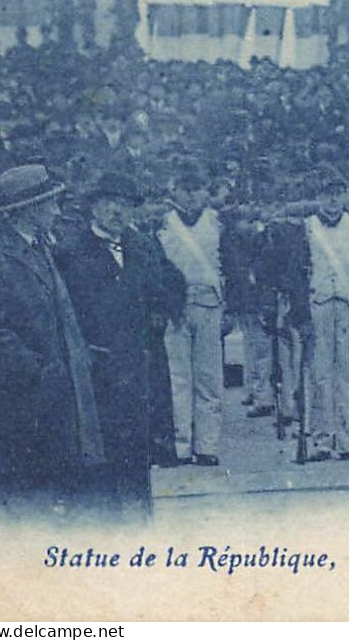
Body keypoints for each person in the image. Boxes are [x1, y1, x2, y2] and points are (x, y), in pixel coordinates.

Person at [0, 164, 105, 514]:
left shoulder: (38, 248)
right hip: (16, 405)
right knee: (16, 505)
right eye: (50, 203)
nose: (57, 211)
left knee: (40, 498)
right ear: (27, 211)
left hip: (45, 402)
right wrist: (40, 372)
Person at [56, 171, 185, 516]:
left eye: (125, 205)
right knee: (101, 450)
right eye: (110, 203)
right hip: (98, 369)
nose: (117, 211)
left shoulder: (142, 245)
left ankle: (139, 519)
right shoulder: (68, 252)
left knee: (138, 446)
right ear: (94, 207)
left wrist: (161, 310)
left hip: (141, 366)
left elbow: (171, 281)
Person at [290, 166, 349, 462]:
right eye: (327, 194)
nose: (332, 199)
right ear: (318, 197)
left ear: (344, 196)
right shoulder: (307, 228)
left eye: (337, 193)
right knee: (319, 374)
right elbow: (297, 274)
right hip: (319, 304)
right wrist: (301, 314)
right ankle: (322, 440)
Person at [155, 161, 230, 467]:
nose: (190, 196)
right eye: (184, 190)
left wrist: (231, 309)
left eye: (196, 189)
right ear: (174, 192)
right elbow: (157, 269)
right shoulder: (163, 224)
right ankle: (180, 444)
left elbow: (230, 266)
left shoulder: (217, 223)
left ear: (205, 193)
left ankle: (207, 444)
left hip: (210, 305)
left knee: (209, 378)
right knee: (178, 378)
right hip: (176, 310)